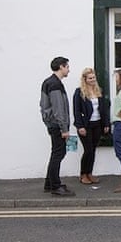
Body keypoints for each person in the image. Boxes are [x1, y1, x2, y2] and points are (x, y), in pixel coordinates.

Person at [39, 56, 75, 196]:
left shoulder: (48, 82)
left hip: (53, 124)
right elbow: (58, 108)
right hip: (57, 126)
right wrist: (64, 129)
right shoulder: (54, 84)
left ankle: (49, 183)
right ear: (61, 67)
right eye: (67, 67)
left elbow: (43, 105)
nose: (68, 70)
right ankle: (55, 186)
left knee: (56, 153)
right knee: (58, 154)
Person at [73, 68, 110, 185]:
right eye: (90, 78)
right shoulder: (79, 92)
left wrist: (106, 124)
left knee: (93, 150)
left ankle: (90, 173)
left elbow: (104, 109)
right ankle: (83, 174)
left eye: (94, 78)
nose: (93, 80)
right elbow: (76, 111)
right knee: (88, 150)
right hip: (85, 125)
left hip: (97, 124)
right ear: (85, 79)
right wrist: (80, 126)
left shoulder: (99, 91)